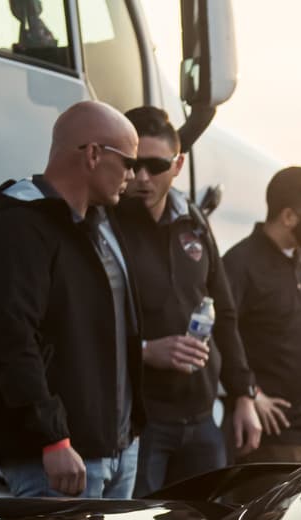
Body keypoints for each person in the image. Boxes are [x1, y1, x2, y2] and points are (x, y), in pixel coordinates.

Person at [0, 100, 144, 498]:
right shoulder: (19, 224)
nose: (134, 175)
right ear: (93, 154)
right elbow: (11, 337)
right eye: (128, 162)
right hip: (59, 459)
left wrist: (129, 435)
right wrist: (53, 438)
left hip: (114, 450)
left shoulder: (99, 226)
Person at [112, 106, 262, 496]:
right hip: (139, 425)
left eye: (155, 165)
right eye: (133, 165)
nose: (142, 177)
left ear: (178, 165)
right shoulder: (105, 224)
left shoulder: (193, 221)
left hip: (200, 419)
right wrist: (144, 351)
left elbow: (224, 313)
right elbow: (82, 327)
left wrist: (244, 396)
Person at [222, 166, 301, 463]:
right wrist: (250, 394)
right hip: (273, 436)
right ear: (289, 216)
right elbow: (222, 335)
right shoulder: (240, 263)